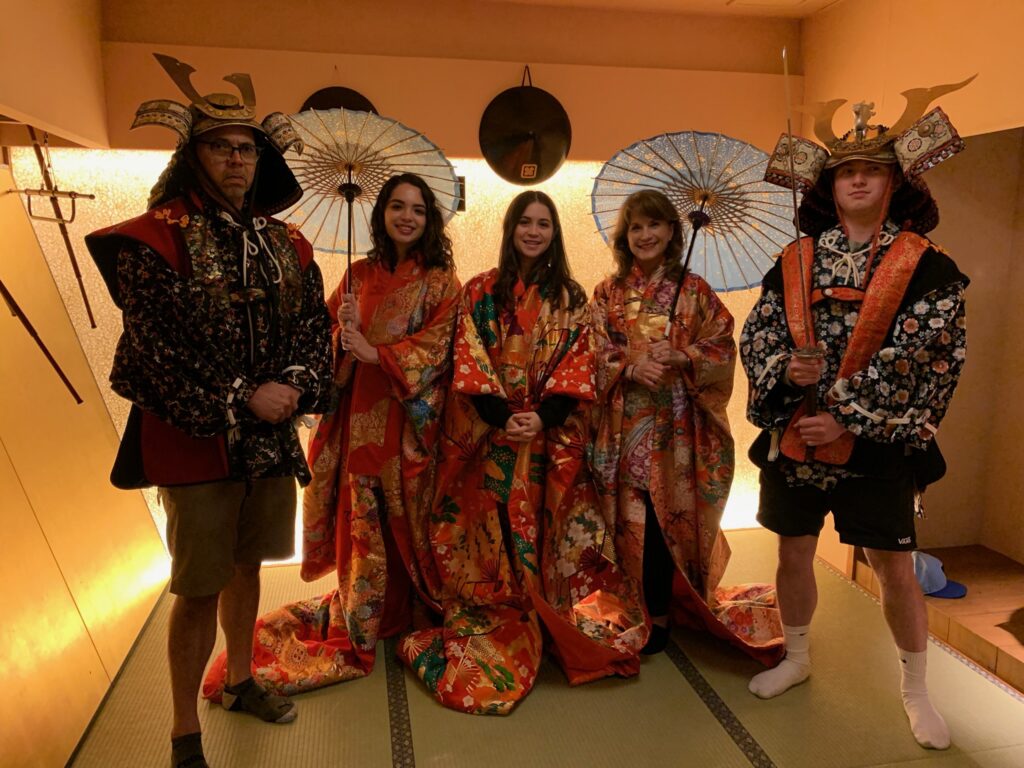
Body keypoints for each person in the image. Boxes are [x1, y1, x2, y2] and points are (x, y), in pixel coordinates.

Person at [85, 55, 332, 768]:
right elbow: (155, 346)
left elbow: (311, 328)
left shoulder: (286, 243)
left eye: (246, 147)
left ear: (261, 157)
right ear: (193, 155)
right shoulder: (154, 238)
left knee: (248, 565)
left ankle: (242, 679)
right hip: (193, 439)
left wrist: (292, 385)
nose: (235, 158)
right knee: (196, 586)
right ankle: (181, 729)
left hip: (269, 439)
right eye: (220, 146)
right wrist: (241, 393)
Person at [742, 93, 971, 750]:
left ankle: (916, 690)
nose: (859, 180)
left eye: (873, 170)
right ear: (831, 186)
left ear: (895, 182)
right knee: (792, 549)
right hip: (796, 434)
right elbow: (759, 334)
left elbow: (926, 353)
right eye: (847, 172)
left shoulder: (928, 264)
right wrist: (788, 371)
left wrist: (844, 417)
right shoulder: (796, 259)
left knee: (892, 564)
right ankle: (797, 656)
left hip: (878, 438)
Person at [201, 173, 461, 698]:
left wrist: (380, 354)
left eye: (417, 209)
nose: (407, 217)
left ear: (429, 220)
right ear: (382, 214)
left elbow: (441, 348)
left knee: (408, 515)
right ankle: (366, 612)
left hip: (408, 421)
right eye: (397, 207)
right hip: (357, 415)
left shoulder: (442, 282)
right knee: (361, 516)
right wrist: (342, 333)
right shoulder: (358, 275)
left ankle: (411, 606)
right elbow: (318, 340)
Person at [399, 190, 647, 715]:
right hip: (491, 433)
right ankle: (502, 606)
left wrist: (543, 416)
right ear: (511, 229)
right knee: (489, 526)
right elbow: (465, 357)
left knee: (544, 526)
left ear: (554, 233)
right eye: (525, 222)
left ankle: (545, 609)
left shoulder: (572, 298)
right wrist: (499, 415)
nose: (534, 232)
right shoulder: (479, 291)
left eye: (544, 224)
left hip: (546, 438)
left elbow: (581, 363)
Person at [590, 189, 783, 663]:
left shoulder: (695, 290)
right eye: (636, 227)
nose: (645, 235)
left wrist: (683, 355)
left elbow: (722, 345)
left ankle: (659, 613)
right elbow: (591, 347)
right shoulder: (607, 292)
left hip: (676, 425)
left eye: (654, 224)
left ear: (673, 231)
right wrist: (630, 366)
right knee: (625, 518)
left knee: (663, 521)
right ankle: (632, 603)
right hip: (624, 422)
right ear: (624, 236)